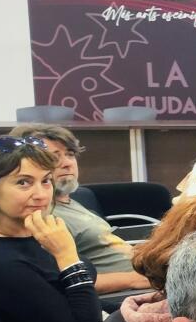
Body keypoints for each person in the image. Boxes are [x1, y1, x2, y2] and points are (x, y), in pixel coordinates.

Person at [0, 135, 101, 322]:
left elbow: (71, 302)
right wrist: (67, 256)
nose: (40, 194)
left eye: (46, 181)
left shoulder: (37, 238)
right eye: (23, 182)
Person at [8, 123, 151, 294]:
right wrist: (133, 280)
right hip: (122, 295)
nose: (67, 163)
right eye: (54, 157)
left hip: (144, 275)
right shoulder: (42, 215)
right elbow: (63, 282)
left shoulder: (71, 199)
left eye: (70, 154)